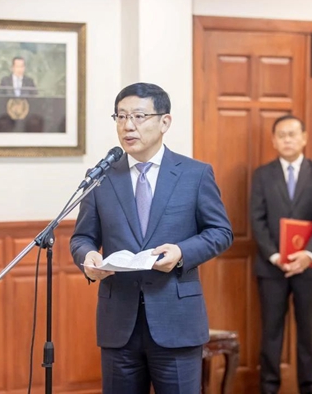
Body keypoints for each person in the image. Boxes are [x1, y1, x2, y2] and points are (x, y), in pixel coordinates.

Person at [70, 82, 233, 394]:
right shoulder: (101, 177)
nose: (128, 126)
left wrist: (181, 252)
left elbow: (221, 232)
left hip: (177, 321)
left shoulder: (194, 174)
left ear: (164, 122)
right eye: (121, 116)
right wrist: (86, 257)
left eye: (138, 116)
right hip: (119, 324)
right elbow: (82, 238)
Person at [250, 115, 312, 394]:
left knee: (307, 331)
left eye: (292, 134)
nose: (287, 139)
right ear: (274, 141)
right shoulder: (262, 175)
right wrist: (275, 256)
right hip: (271, 267)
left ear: (304, 138)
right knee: (271, 330)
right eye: (281, 135)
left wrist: (308, 255)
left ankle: (309, 386)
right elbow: (257, 220)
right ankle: (269, 387)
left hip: (309, 267)